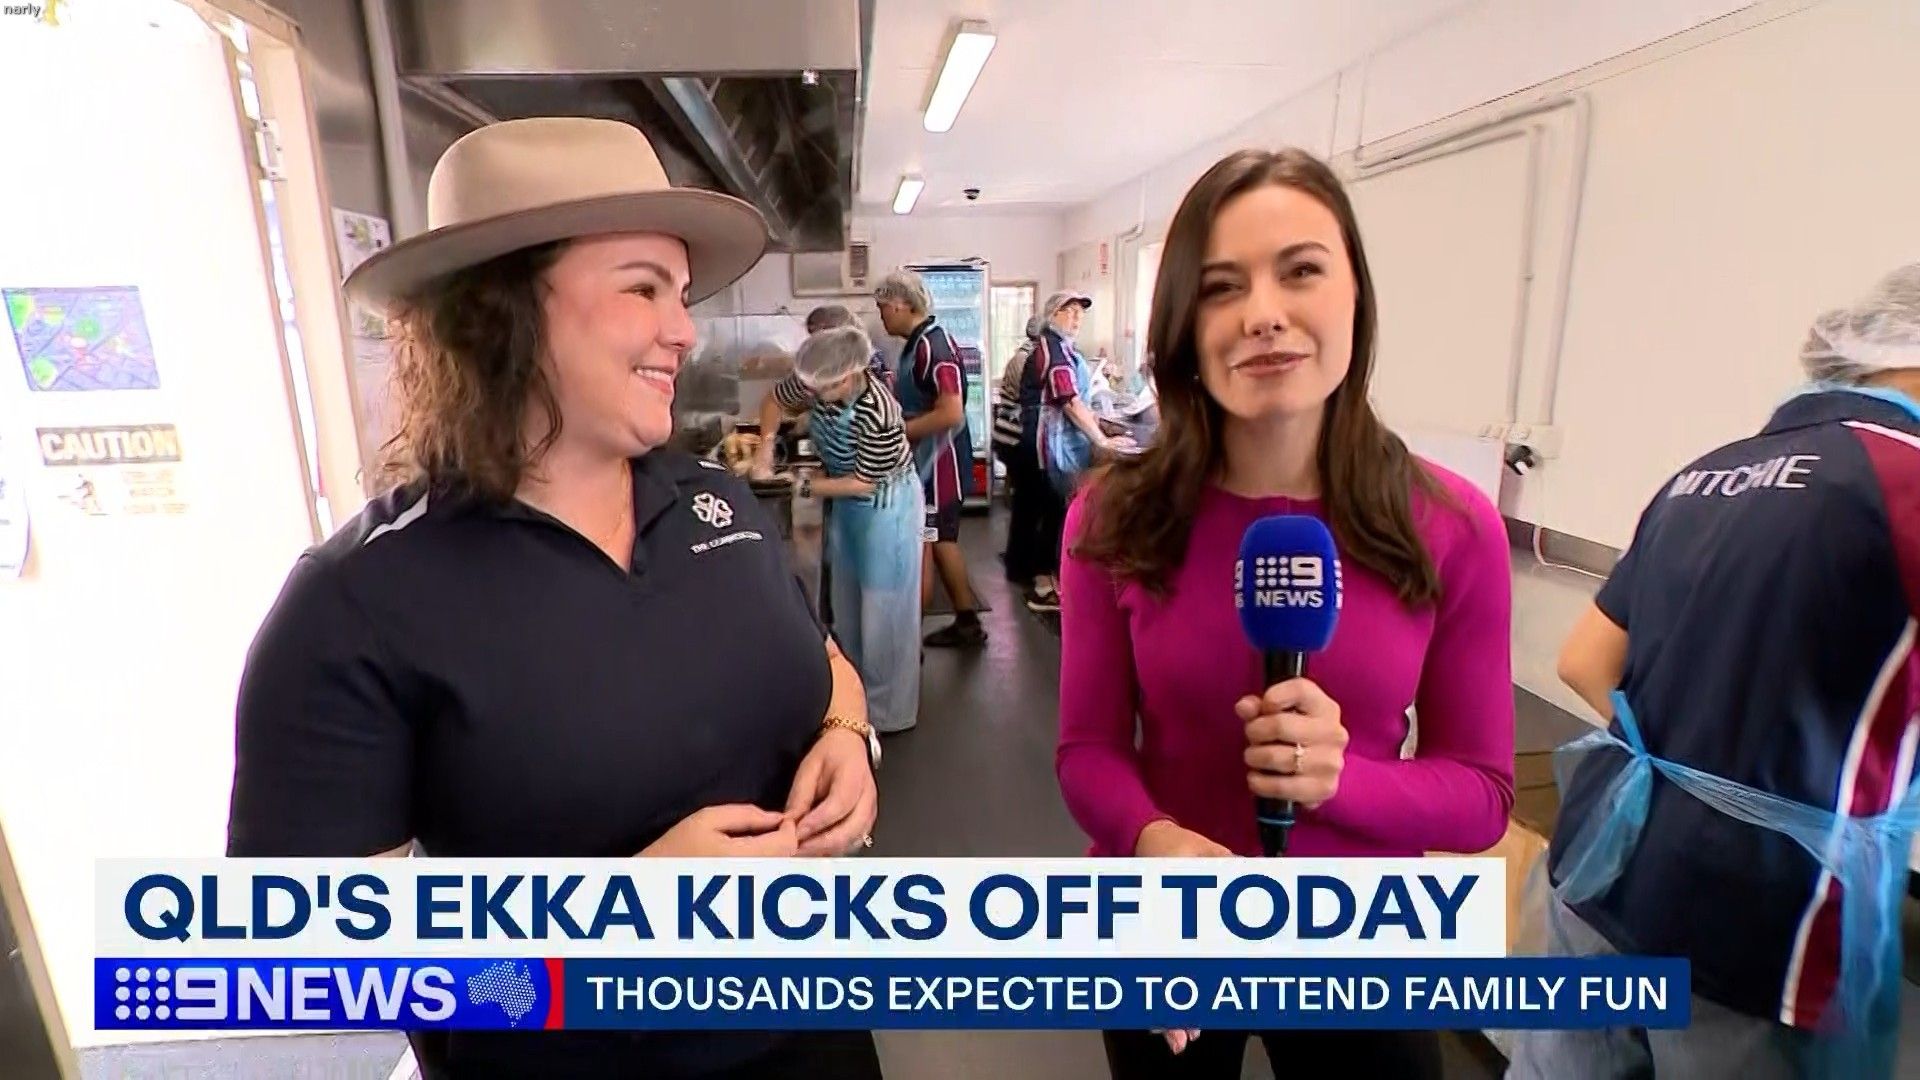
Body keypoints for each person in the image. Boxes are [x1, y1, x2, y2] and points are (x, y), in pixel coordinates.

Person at [225, 117, 883, 1080]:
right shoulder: (358, 605)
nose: (684, 330)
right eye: (642, 289)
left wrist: (847, 735)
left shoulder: (720, 503)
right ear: (501, 312)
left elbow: (822, 660)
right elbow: (303, 967)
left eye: (683, 294)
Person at [1054, 147, 1515, 1079]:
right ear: (1185, 326)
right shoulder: (1110, 518)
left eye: (1301, 271)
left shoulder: (1455, 527)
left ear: (1355, 297)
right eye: (1222, 287)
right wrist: (1155, 843)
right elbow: (1087, 752)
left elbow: (1483, 796)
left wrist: (1344, 782)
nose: (1263, 313)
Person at [1508, 264, 1920, 1080]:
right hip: (1757, 921)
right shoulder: (1904, 481)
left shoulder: (1708, 471)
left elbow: (1584, 660)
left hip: (1600, 866)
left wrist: (1688, 772)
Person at [753, 325, 924, 733]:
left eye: (824, 389)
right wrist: (765, 446)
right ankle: (851, 700)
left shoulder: (879, 411)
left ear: (850, 376)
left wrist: (802, 484)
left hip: (887, 506)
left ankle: (887, 715)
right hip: (847, 504)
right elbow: (775, 401)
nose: (813, 394)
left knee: (884, 613)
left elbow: (865, 481)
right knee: (847, 605)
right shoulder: (816, 378)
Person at [873, 269, 987, 647]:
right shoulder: (916, 344)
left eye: (883, 307)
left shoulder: (933, 345)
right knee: (939, 540)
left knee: (935, 539)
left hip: (940, 464)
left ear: (900, 305)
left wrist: (898, 432)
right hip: (926, 461)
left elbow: (951, 412)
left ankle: (915, 639)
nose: (881, 316)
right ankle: (966, 620)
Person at [1033, 291, 1127, 501]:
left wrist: (1098, 421)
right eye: (1070, 311)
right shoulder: (1053, 349)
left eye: (1080, 312)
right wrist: (1102, 441)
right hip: (1058, 447)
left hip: (1070, 441)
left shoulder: (1065, 348)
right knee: (1066, 506)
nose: (1077, 317)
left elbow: (1079, 399)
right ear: (1053, 314)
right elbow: (1070, 403)